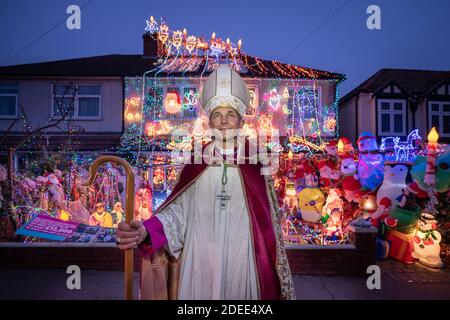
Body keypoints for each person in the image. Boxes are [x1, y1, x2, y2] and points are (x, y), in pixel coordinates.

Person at [116, 65, 295, 300]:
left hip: (243, 260)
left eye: (230, 114)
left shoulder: (257, 164)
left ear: (241, 121)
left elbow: (268, 224)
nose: (223, 122)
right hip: (199, 260)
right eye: (217, 115)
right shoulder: (196, 162)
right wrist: (147, 232)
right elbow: (177, 215)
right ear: (210, 122)